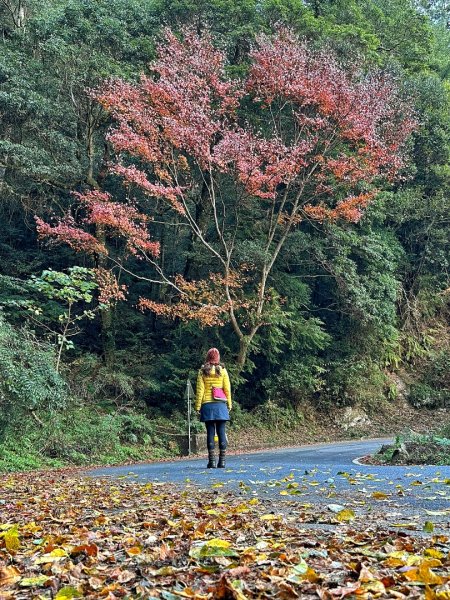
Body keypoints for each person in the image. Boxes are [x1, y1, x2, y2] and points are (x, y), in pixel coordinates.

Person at [195, 347, 232, 468]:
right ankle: (222, 461)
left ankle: (212, 461)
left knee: (210, 432)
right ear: (218, 358)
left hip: (207, 405)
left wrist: (198, 406)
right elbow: (227, 389)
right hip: (220, 405)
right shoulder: (223, 370)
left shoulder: (202, 371)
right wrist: (229, 404)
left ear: (208, 357)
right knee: (221, 432)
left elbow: (200, 390)